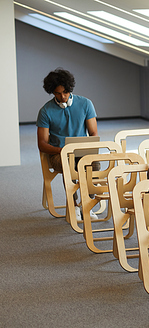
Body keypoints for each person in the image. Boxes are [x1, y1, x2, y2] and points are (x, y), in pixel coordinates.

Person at [36, 68, 99, 220]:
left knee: (95, 165)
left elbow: (94, 134)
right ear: (52, 92)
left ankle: (87, 203)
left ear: (70, 89)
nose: (62, 97)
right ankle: (74, 204)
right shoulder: (45, 111)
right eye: (57, 93)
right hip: (58, 153)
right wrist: (61, 150)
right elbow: (42, 144)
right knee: (68, 164)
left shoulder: (86, 104)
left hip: (82, 151)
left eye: (65, 92)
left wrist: (87, 147)